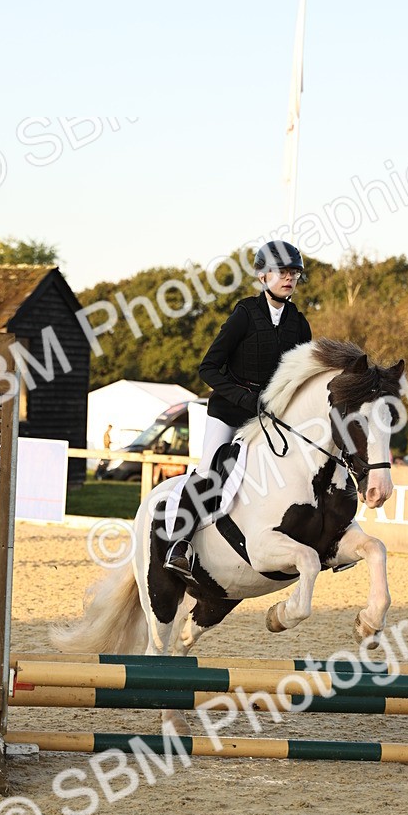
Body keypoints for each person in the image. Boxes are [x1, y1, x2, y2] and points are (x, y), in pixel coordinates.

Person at [164, 240, 313, 581]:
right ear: (263, 276)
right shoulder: (245, 314)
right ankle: (180, 545)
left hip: (272, 418)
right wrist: (246, 399)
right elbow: (208, 369)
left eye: (294, 273)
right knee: (209, 471)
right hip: (230, 413)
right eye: (282, 272)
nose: (289, 278)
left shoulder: (299, 324)